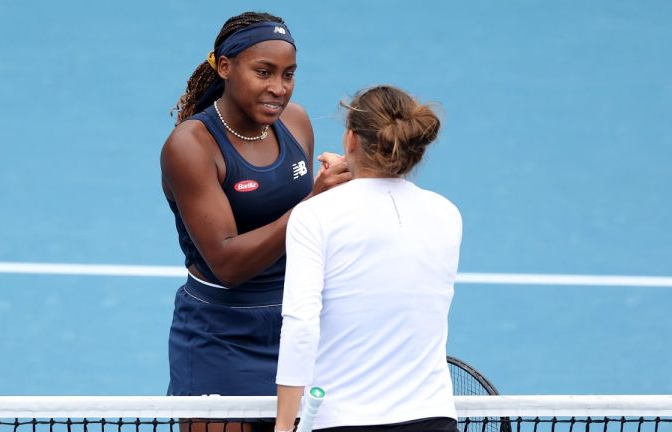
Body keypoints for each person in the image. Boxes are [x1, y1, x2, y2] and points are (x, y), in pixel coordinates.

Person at [160, 11, 349, 400]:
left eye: (288, 74)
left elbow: (305, 231)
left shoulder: (295, 122)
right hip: (219, 336)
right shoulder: (191, 145)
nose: (279, 88)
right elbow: (228, 265)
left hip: (297, 324)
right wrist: (315, 201)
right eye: (264, 72)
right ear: (226, 67)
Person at [275, 85, 461, 432]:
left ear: (350, 139)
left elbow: (301, 325)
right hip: (433, 418)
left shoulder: (315, 216)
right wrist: (359, 174)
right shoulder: (447, 215)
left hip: (344, 423)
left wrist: (284, 426)